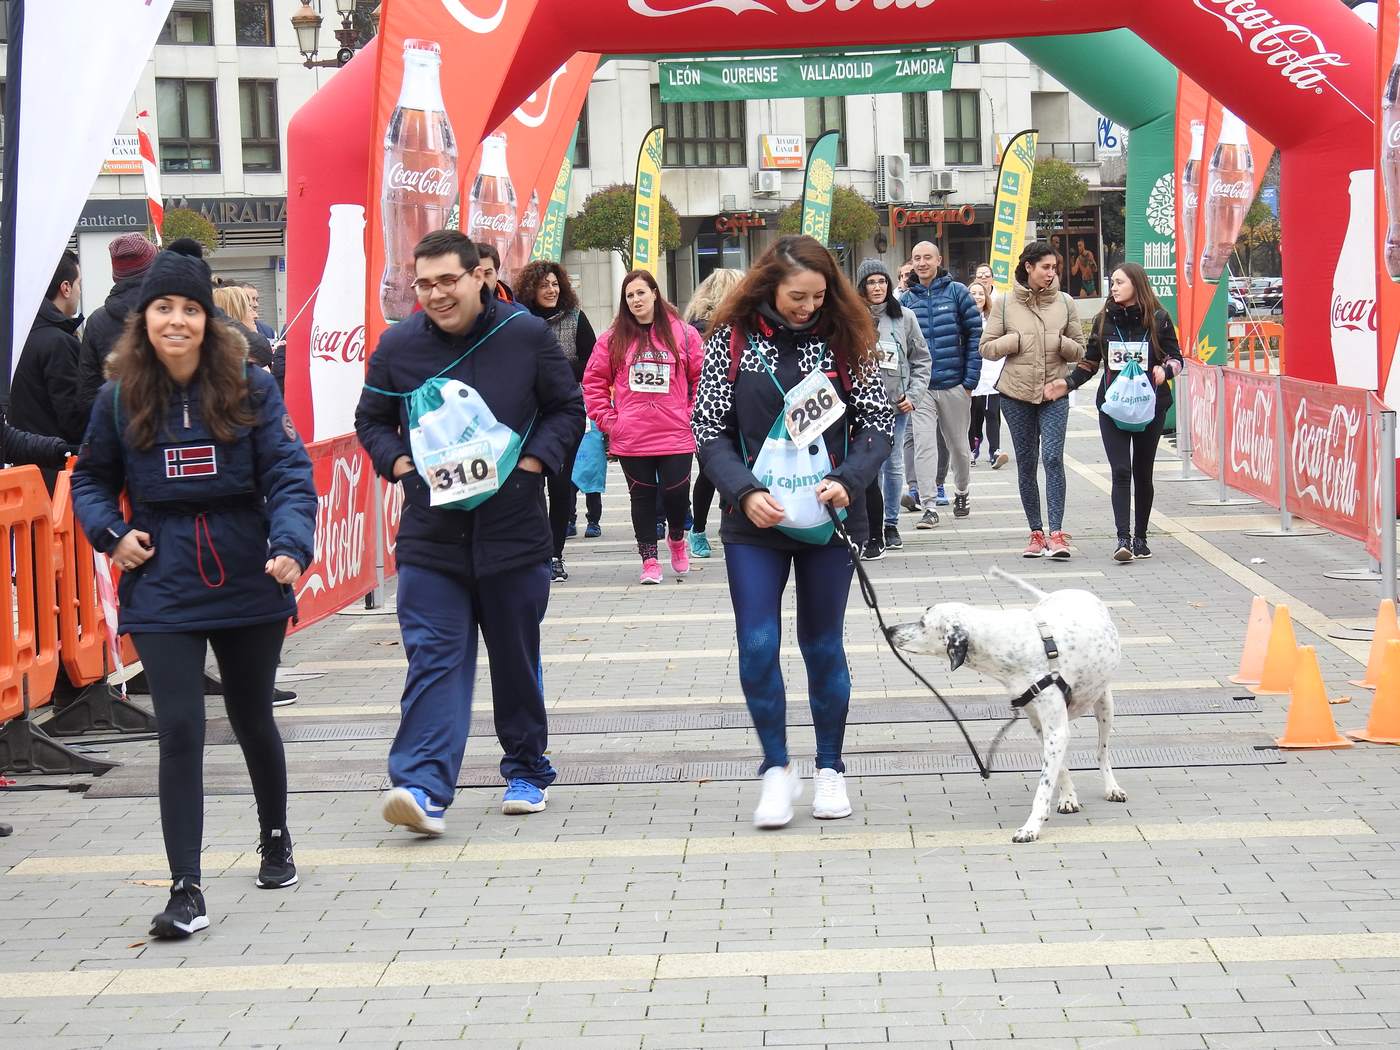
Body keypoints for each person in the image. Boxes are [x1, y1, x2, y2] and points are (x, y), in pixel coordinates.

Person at [70, 250, 317, 940]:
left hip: (249, 569)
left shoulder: (250, 386)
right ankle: (186, 889)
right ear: (143, 319)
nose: (176, 321)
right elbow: (89, 480)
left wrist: (291, 545)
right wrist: (110, 532)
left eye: (189, 309)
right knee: (179, 728)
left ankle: (275, 837)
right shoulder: (119, 397)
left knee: (249, 716)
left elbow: (291, 475)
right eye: (163, 309)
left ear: (207, 319)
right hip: (161, 577)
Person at [356, 231, 583, 833]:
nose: (433, 294)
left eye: (446, 281)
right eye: (422, 283)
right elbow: (371, 419)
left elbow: (568, 408)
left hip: (514, 534)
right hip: (432, 538)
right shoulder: (398, 347)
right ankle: (423, 788)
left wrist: (534, 463)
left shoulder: (525, 336)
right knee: (433, 660)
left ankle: (527, 767)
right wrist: (401, 466)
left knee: (515, 657)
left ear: (478, 277)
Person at [692, 235, 894, 829]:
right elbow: (708, 430)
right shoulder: (731, 342)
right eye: (796, 296)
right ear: (768, 289)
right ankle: (776, 768)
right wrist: (743, 491)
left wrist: (849, 478)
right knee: (757, 645)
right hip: (755, 522)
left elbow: (877, 426)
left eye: (818, 296)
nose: (807, 307)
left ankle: (829, 767)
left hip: (829, 520)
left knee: (822, 645)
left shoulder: (848, 341)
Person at [583, 270, 702, 584]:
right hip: (632, 434)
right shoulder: (612, 339)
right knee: (643, 498)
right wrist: (610, 421)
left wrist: (689, 414)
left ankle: (677, 538)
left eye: (640, 293)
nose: (635, 300)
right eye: (629, 296)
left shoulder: (685, 334)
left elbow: (700, 379)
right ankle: (649, 559)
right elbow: (593, 383)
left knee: (677, 494)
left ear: (655, 294)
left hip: (675, 431)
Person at [1065, 262, 1182, 561]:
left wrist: (1164, 369)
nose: (1113, 287)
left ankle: (1141, 537)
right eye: (1112, 282)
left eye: (1119, 282)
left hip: (1150, 407)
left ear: (1136, 284)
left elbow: (1177, 359)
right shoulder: (1104, 319)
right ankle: (1123, 539)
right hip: (1113, 407)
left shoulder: (1158, 318)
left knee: (1143, 472)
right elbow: (1090, 363)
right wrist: (1066, 385)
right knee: (1120, 471)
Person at [979, 241, 1086, 559]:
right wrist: (1013, 341)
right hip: (1015, 394)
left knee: (1052, 459)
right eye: (1046, 267)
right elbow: (986, 347)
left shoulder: (1065, 303)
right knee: (1026, 463)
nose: (1052, 273)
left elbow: (1080, 350)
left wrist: (1059, 342)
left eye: (1055, 268)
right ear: (1029, 267)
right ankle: (1036, 533)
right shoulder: (1006, 303)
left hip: (1054, 393)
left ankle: (1057, 533)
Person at [514, 259, 599, 579]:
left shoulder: (575, 318)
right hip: (527, 414)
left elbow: (592, 363)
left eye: (555, 284)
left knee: (562, 486)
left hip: (566, 413)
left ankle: (555, 554)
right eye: (543, 285)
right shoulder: (519, 321)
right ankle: (536, 550)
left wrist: (555, 373)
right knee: (531, 484)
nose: (551, 290)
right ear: (530, 289)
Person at [900, 240, 981, 528]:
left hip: (954, 384)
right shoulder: (906, 301)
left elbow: (975, 335)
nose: (921, 263)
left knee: (959, 446)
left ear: (938, 260)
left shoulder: (957, 293)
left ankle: (962, 491)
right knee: (923, 445)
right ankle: (929, 505)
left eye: (927, 258)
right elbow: (899, 346)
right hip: (920, 389)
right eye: (916, 258)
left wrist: (970, 380)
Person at [855, 258, 929, 560]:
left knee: (893, 462)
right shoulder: (851, 318)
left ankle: (890, 523)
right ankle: (867, 524)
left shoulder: (905, 317)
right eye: (871, 282)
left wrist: (914, 394)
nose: (877, 287)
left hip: (897, 405)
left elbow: (921, 360)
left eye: (882, 281)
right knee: (868, 467)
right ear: (862, 286)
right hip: (862, 408)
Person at [682, 267, 744, 559]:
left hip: (737, 407)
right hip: (708, 408)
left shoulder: (747, 324)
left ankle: (719, 525)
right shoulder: (699, 327)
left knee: (726, 469)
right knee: (711, 470)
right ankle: (699, 529)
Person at [10, 251, 86, 469]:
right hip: (58, 469)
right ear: (66, 288)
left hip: (24, 467)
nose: (79, 291)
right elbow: (73, 418)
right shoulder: (58, 342)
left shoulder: (18, 337)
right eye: (78, 283)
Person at [78, 233, 158, 421]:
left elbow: (86, 396)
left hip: (117, 434)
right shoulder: (168, 313)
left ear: (116, 276)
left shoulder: (97, 321)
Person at [967, 281, 1008, 470]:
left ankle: (995, 452)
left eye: (980, 293)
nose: (977, 297)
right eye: (973, 293)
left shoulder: (993, 318)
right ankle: (972, 449)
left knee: (992, 412)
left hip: (992, 372)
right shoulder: (962, 318)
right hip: (971, 374)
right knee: (973, 416)